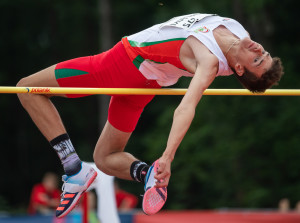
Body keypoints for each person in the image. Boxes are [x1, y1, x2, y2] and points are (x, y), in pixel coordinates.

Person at [17, 13, 284, 218]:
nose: (260, 51)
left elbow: (186, 108)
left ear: (238, 68)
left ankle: (73, 167)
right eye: (266, 54)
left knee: (27, 89)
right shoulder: (240, 31)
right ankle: (144, 174)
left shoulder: (210, 62)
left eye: (258, 61)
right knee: (104, 158)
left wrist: (167, 157)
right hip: (146, 82)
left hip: (122, 64)